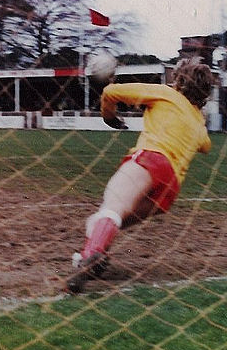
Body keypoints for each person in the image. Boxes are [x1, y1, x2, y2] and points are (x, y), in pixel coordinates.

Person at [66, 56, 214, 294]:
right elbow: (206, 146)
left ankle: (92, 254)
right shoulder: (198, 121)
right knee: (104, 221)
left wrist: (109, 117)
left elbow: (111, 92)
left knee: (111, 208)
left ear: (178, 80)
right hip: (169, 190)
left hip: (150, 160)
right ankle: (91, 255)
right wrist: (197, 117)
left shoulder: (165, 94)